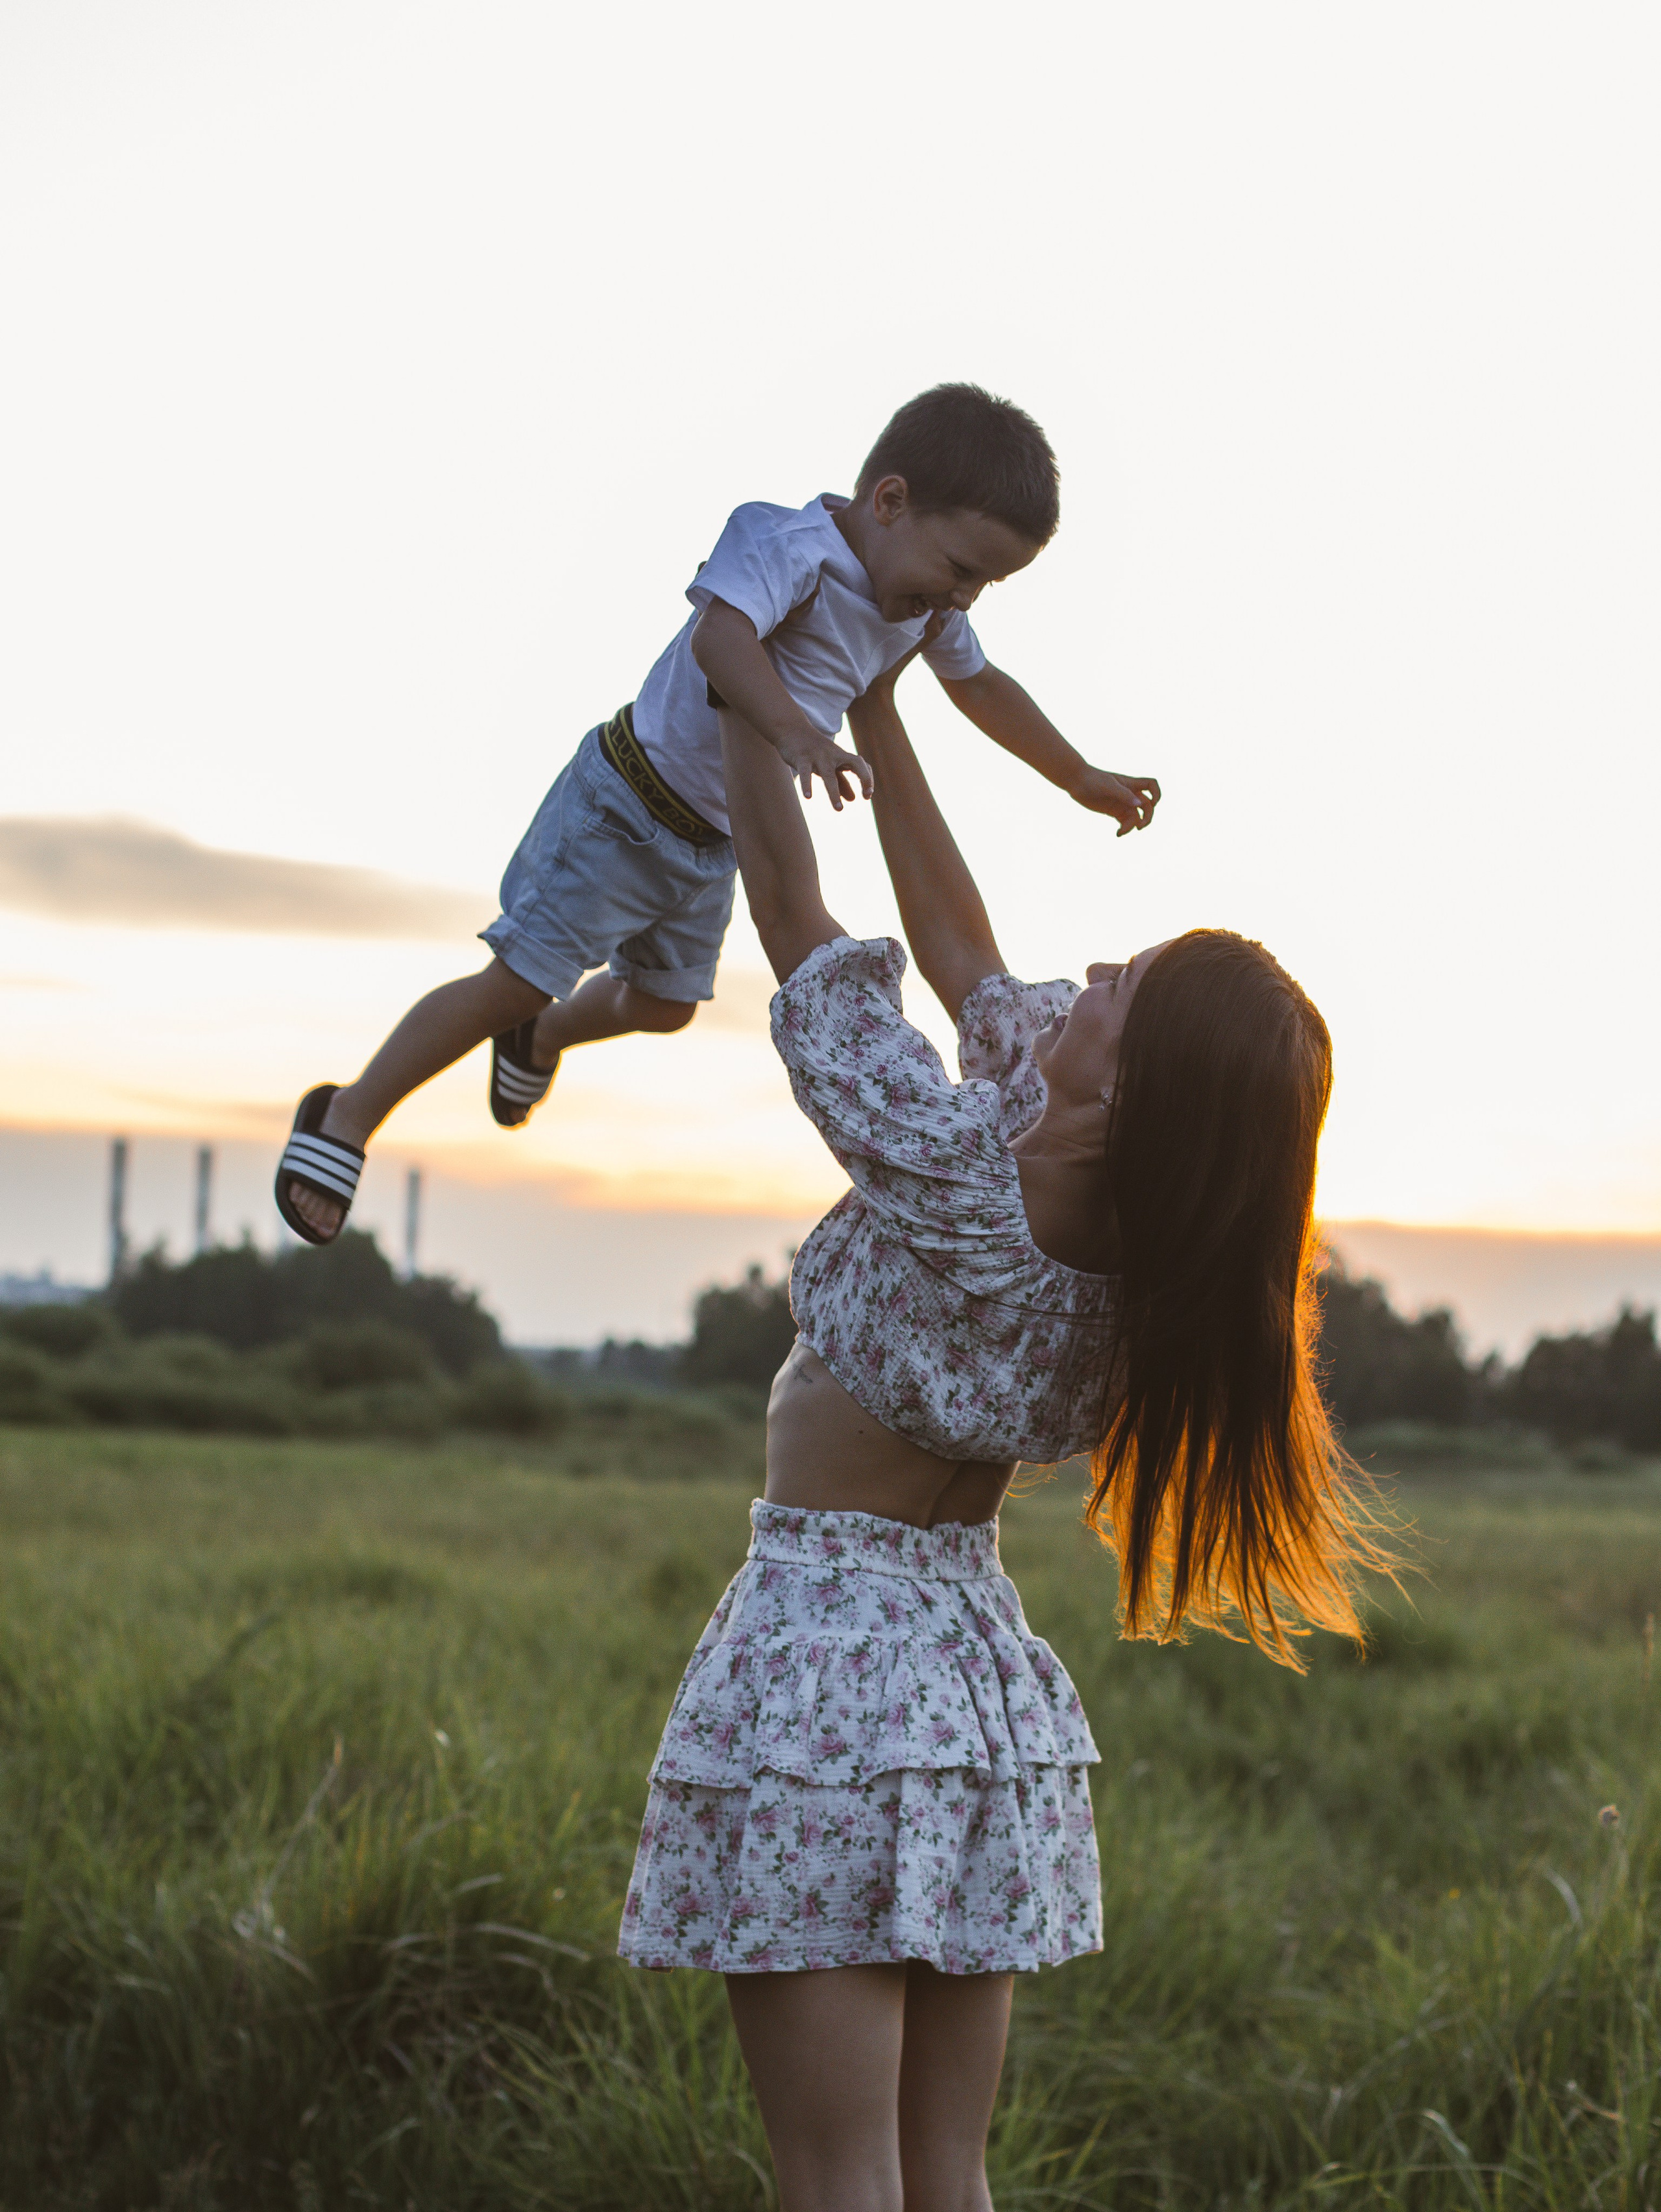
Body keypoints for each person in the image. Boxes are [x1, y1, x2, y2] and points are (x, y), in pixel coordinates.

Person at [616, 649, 1389, 2212]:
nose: (1086, 973)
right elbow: (966, 954)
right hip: (969, 1683)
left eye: (1121, 987)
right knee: (941, 2178)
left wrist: (751, 693)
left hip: (830, 1660)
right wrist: (880, 705)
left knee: (834, 2180)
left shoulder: (966, 1171)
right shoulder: (1138, 1260)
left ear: (1139, 1086)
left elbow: (795, 923)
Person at [273, 383, 1161, 1245]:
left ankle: (539, 1037)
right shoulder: (788, 544)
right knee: (518, 970)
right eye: (961, 569)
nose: (961, 599)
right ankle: (346, 1115)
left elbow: (984, 688)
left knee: (663, 1006)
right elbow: (720, 640)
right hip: (624, 805)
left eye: (985, 586)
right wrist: (795, 734)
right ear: (889, 501)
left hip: (712, 846)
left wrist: (1077, 773)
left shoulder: (918, 610)